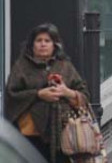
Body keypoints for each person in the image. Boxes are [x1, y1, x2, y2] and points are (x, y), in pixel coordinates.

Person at [4, 24, 90, 163]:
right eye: (39, 41)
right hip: (31, 134)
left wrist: (66, 92)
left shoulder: (65, 65)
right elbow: (12, 96)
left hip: (64, 133)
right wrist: (38, 94)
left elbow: (84, 94)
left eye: (47, 41)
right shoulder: (21, 67)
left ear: (55, 45)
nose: (43, 44)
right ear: (32, 45)